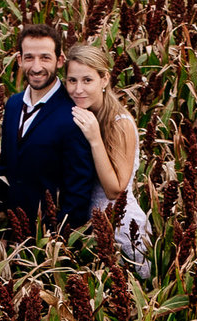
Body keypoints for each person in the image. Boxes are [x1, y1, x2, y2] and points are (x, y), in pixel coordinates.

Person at [0, 22, 101, 239]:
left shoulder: (73, 114)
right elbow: (6, 164)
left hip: (49, 239)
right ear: (20, 60)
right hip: (13, 233)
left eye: (45, 57)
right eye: (29, 57)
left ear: (59, 61)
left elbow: (78, 189)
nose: (37, 66)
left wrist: (60, 240)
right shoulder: (13, 105)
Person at [63, 42, 154, 282]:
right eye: (72, 80)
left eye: (87, 80)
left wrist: (95, 139)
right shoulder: (77, 115)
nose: (78, 89)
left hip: (121, 227)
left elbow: (115, 190)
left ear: (104, 79)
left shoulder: (119, 122)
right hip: (86, 228)